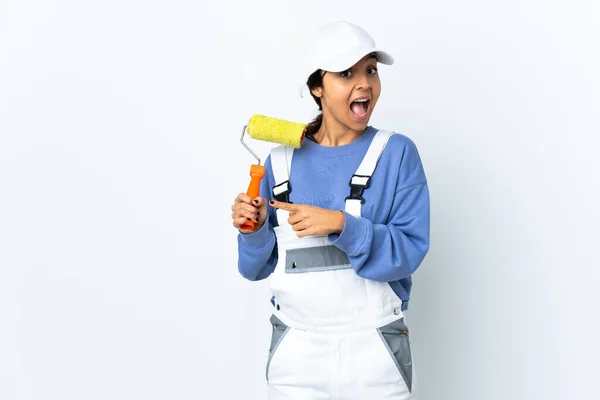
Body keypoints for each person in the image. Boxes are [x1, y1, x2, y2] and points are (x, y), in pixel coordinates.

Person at [231, 20, 430, 400]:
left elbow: (409, 251)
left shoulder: (396, 153)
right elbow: (253, 268)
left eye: (370, 70)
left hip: (376, 355)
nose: (365, 83)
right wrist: (252, 231)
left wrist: (342, 224)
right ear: (317, 88)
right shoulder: (280, 163)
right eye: (346, 73)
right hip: (296, 356)